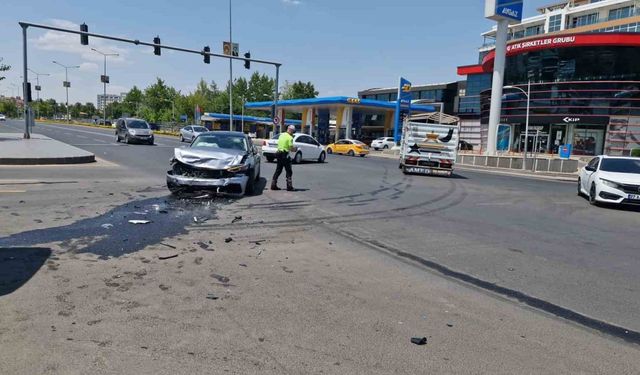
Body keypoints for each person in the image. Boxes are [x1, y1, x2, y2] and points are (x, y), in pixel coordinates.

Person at [271, 125, 297, 191]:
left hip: (278, 154)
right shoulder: (290, 138)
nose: (293, 133)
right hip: (285, 155)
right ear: (291, 130)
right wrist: (295, 149)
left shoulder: (281, 135)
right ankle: (289, 186)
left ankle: (273, 185)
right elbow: (291, 148)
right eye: (293, 132)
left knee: (278, 170)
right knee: (289, 170)